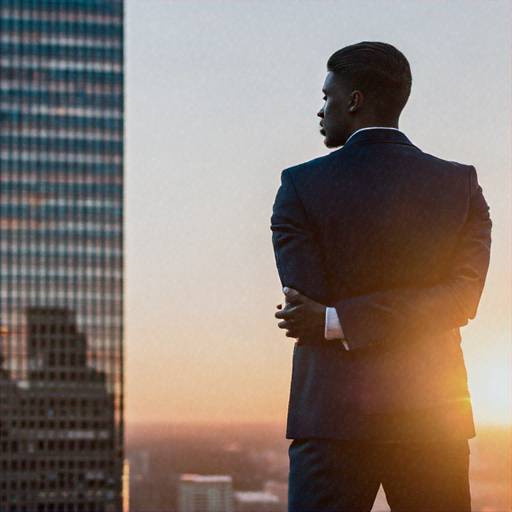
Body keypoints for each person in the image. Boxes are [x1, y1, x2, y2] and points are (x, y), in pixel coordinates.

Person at [271, 42, 491, 512]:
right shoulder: (461, 186)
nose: (320, 108)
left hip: (331, 421)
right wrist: (346, 317)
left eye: (327, 95)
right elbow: (459, 299)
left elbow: (309, 304)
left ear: (354, 101)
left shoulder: (299, 187)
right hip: (434, 417)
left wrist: (334, 321)